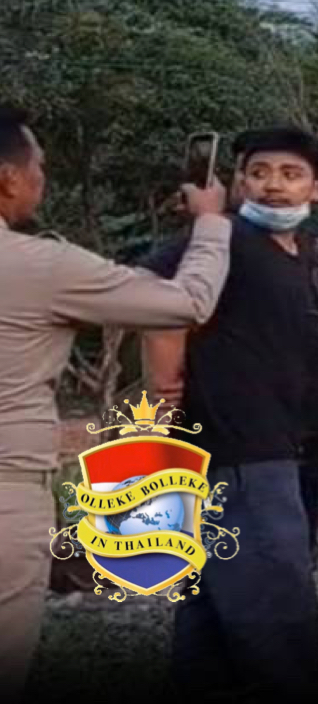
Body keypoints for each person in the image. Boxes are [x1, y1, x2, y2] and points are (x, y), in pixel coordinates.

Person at [0, 105, 230, 700]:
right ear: (8, 178)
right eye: (39, 167)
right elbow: (186, 303)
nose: (41, 179)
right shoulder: (40, 266)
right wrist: (209, 224)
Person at [139, 127, 318, 701]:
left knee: (214, 617)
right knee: (277, 621)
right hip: (242, 453)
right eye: (259, 173)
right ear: (237, 183)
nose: (273, 186)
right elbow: (157, 300)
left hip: (293, 448)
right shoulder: (222, 237)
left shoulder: (310, 250)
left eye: (290, 174)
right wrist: (162, 389)